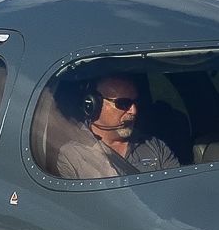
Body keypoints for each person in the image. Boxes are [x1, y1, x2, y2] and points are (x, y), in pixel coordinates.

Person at [47, 72, 182, 179]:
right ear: (93, 105)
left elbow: (177, 191)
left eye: (135, 102)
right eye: (123, 104)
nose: (133, 111)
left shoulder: (156, 147)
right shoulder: (73, 156)